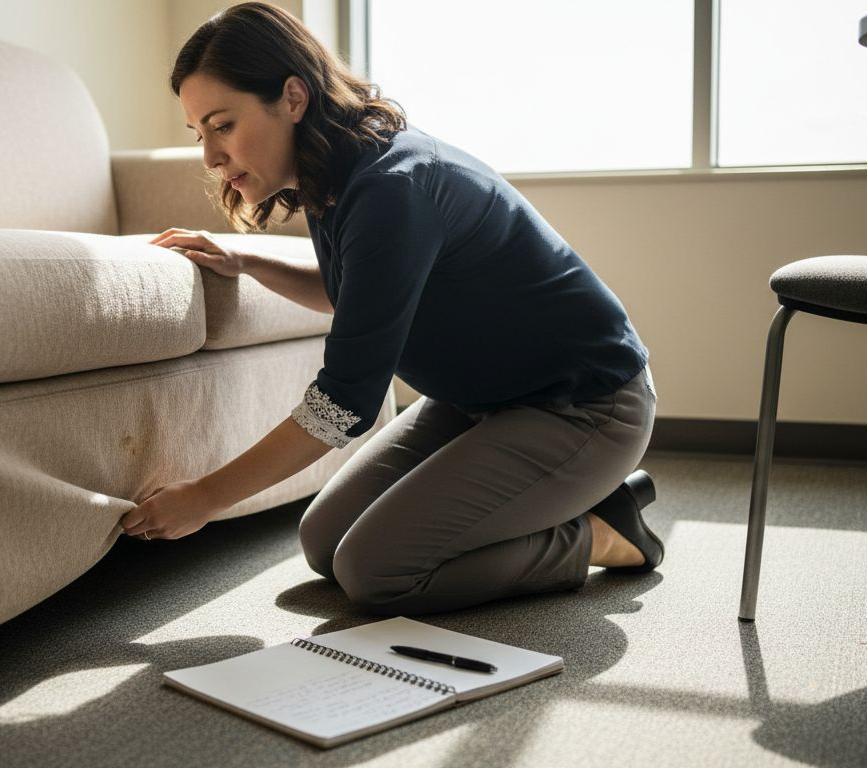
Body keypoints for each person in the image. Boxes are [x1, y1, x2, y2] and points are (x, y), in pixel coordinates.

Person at [118, 2, 663, 616]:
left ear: (292, 97)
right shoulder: (336, 171)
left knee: (376, 571)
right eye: (200, 134)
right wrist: (246, 263)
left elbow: (344, 404)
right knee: (324, 544)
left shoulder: (391, 187)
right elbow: (353, 293)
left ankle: (599, 532)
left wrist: (206, 497)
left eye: (222, 125)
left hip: (583, 406)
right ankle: (546, 502)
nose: (210, 158)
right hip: (479, 402)